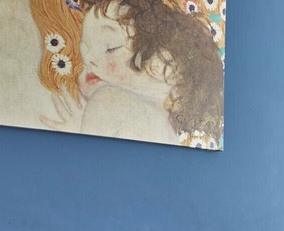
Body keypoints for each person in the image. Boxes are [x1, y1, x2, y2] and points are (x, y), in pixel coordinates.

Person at [33, 0, 224, 149]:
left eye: (110, 47)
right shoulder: (163, 129)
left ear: (164, 65)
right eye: (85, 49)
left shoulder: (107, 99)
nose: (88, 59)